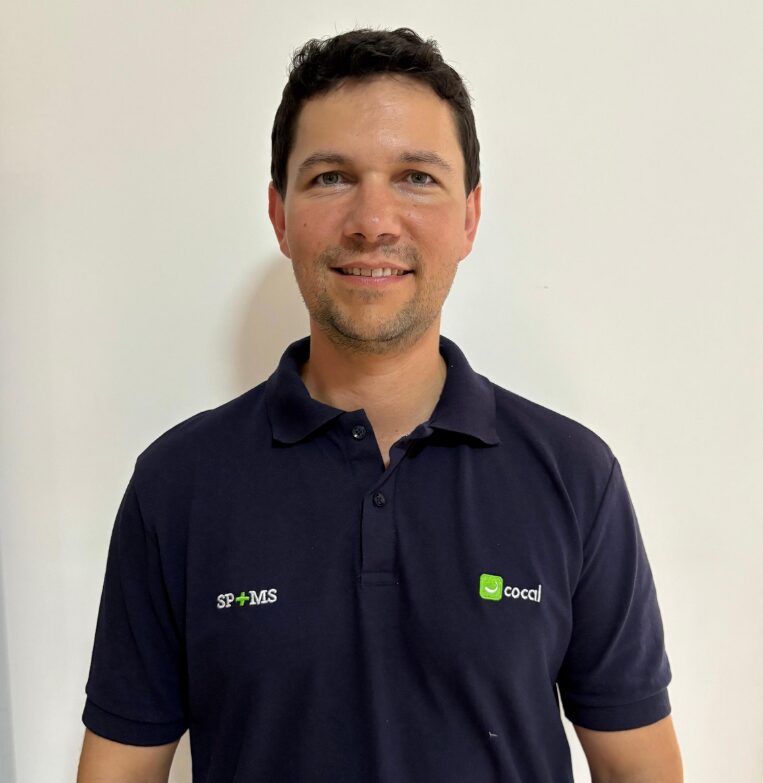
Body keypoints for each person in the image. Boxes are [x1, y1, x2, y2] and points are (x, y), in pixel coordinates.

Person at [77, 27, 682, 783]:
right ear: (280, 215)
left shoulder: (574, 475)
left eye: (415, 177)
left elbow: (640, 770)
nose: (373, 220)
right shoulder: (178, 483)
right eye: (331, 177)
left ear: (469, 217)